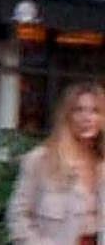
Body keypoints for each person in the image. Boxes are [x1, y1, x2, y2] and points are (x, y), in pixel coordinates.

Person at [9, 82, 105, 245]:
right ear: (67, 116)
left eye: (95, 111)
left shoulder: (102, 164)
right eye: (79, 110)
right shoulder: (40, 160)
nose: (87, 118)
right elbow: (17, 217)